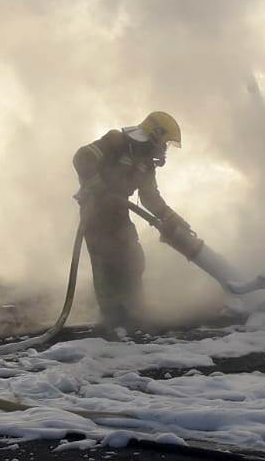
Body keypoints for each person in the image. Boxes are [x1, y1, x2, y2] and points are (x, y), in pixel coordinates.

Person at [72, 111, 188, 333]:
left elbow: (149, 197)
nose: (165, 148)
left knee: (133, 257)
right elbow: (82, 158)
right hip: (95, 214)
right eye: (166, 142)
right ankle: (111, 320)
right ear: (156, 135)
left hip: (118, 213)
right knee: (106, 264)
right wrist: (101, 191)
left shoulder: (146, 164)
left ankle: (135, 312)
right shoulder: (116, 141)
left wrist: (172, 218)